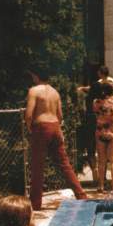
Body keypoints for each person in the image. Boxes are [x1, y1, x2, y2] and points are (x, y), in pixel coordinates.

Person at [25, 68, 88, 210]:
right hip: (55, 126)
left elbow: (29, 114)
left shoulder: (34, 91)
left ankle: (35, 203)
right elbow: (60, 115)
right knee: (64, 163)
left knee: (37, 166)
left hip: (41, 126)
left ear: (36, 76)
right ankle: (81, 195)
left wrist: (30, 128)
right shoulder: (55, 92)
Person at [91, 81, 113, 196]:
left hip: (99, 131)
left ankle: (101, 186)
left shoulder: (96, 102)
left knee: (101, 161)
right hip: (112, 132)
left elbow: (96, 113)